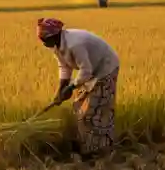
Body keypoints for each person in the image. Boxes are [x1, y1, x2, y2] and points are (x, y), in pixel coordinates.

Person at [37, 17, 120, 156]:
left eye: (44, 39)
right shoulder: (57, 45)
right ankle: (86, 145)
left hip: (105, 68)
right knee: (79, 106)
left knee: (94, 110)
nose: (43, 43)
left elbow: (85, 70)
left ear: (54, 35)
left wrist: (70, 88)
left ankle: (100, 150)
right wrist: (60, 90)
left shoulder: (74, 44)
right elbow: (64, 66)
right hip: (91, 70)